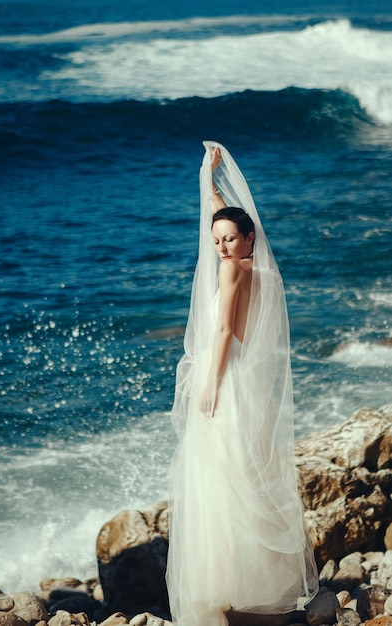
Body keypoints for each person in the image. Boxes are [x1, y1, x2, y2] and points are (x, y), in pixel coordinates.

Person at [166, 142, 318, 626]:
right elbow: (224, 216)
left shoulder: (232, 270)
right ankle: (247, 585)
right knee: (240, 481)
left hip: (225, 383)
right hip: (245, 387)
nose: (221, 248)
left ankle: (226, 588)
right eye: (216, 242)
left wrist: (207, 386)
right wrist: (208, 178)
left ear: (249, 239)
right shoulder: (263, 270)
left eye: (230, 240)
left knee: (220, 483)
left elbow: (225, 332)